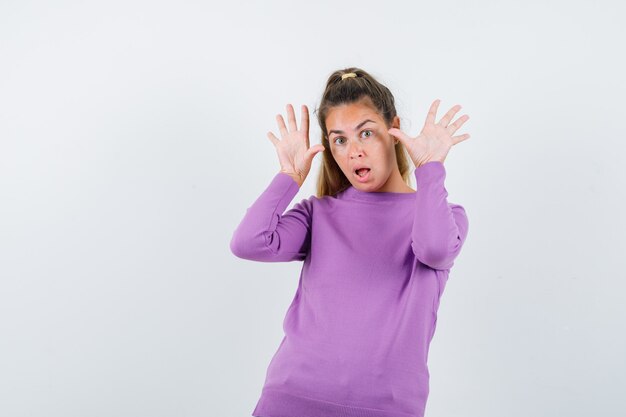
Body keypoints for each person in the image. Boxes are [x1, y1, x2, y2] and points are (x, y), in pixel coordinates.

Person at [230, 67, 470, 417]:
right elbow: (249, 243)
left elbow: (433, 249)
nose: (354, 151)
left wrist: (430, 169)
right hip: (290, 399)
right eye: (340, 139)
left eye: (366, 133)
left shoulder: (443, 216)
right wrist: (289, 178)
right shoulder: (319, 214)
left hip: (385, 408)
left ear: (394, 130)